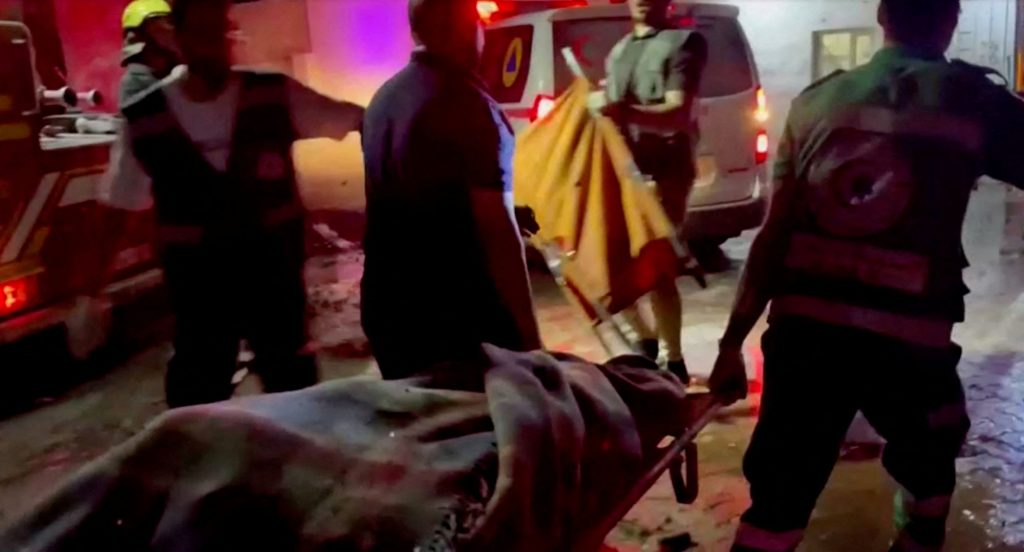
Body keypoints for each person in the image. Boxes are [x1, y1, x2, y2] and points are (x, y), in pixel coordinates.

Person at [708, 0, 1024, 550]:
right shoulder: (973, 101)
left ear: (881, 16)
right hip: (909, 350)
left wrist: (731, 344)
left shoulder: (817, 102)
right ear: (950, 20)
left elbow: (774, 236)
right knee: (930, 475)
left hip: (804, 341)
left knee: (778, 502)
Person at [102, 0, 364, 408]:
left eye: (218, 33)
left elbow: (358, 119)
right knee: (198, 396)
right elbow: (119, 208)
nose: (213, 46)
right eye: (201, 34)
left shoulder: (272, 93)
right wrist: (91, 295)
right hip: (200, 294)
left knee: (293, 388)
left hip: (273, 286)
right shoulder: (146, 118)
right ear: (177, 39)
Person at [361, 0, 542, 379]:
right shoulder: (469, 105)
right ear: (468, 29)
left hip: (389, 311)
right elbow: (498, 233)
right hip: (458, 320)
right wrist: (530, 341)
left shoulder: (382, 100)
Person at [590, 0, 708, 384]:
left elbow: (678, 111)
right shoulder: (618, 51)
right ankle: (646, 341)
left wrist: (621, 111)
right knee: (613, 265)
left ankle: (673, 360)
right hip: (623, 173)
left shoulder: (684, 43)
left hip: (664, 173)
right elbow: (607, 111)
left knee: (657, 265)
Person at [119, 0, 179, 107]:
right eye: (158, 29)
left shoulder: (180, 68)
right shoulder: (133, 82)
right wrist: (171, 84)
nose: (168, 33)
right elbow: (130, 110)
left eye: (169, 23)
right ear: (137, 37)